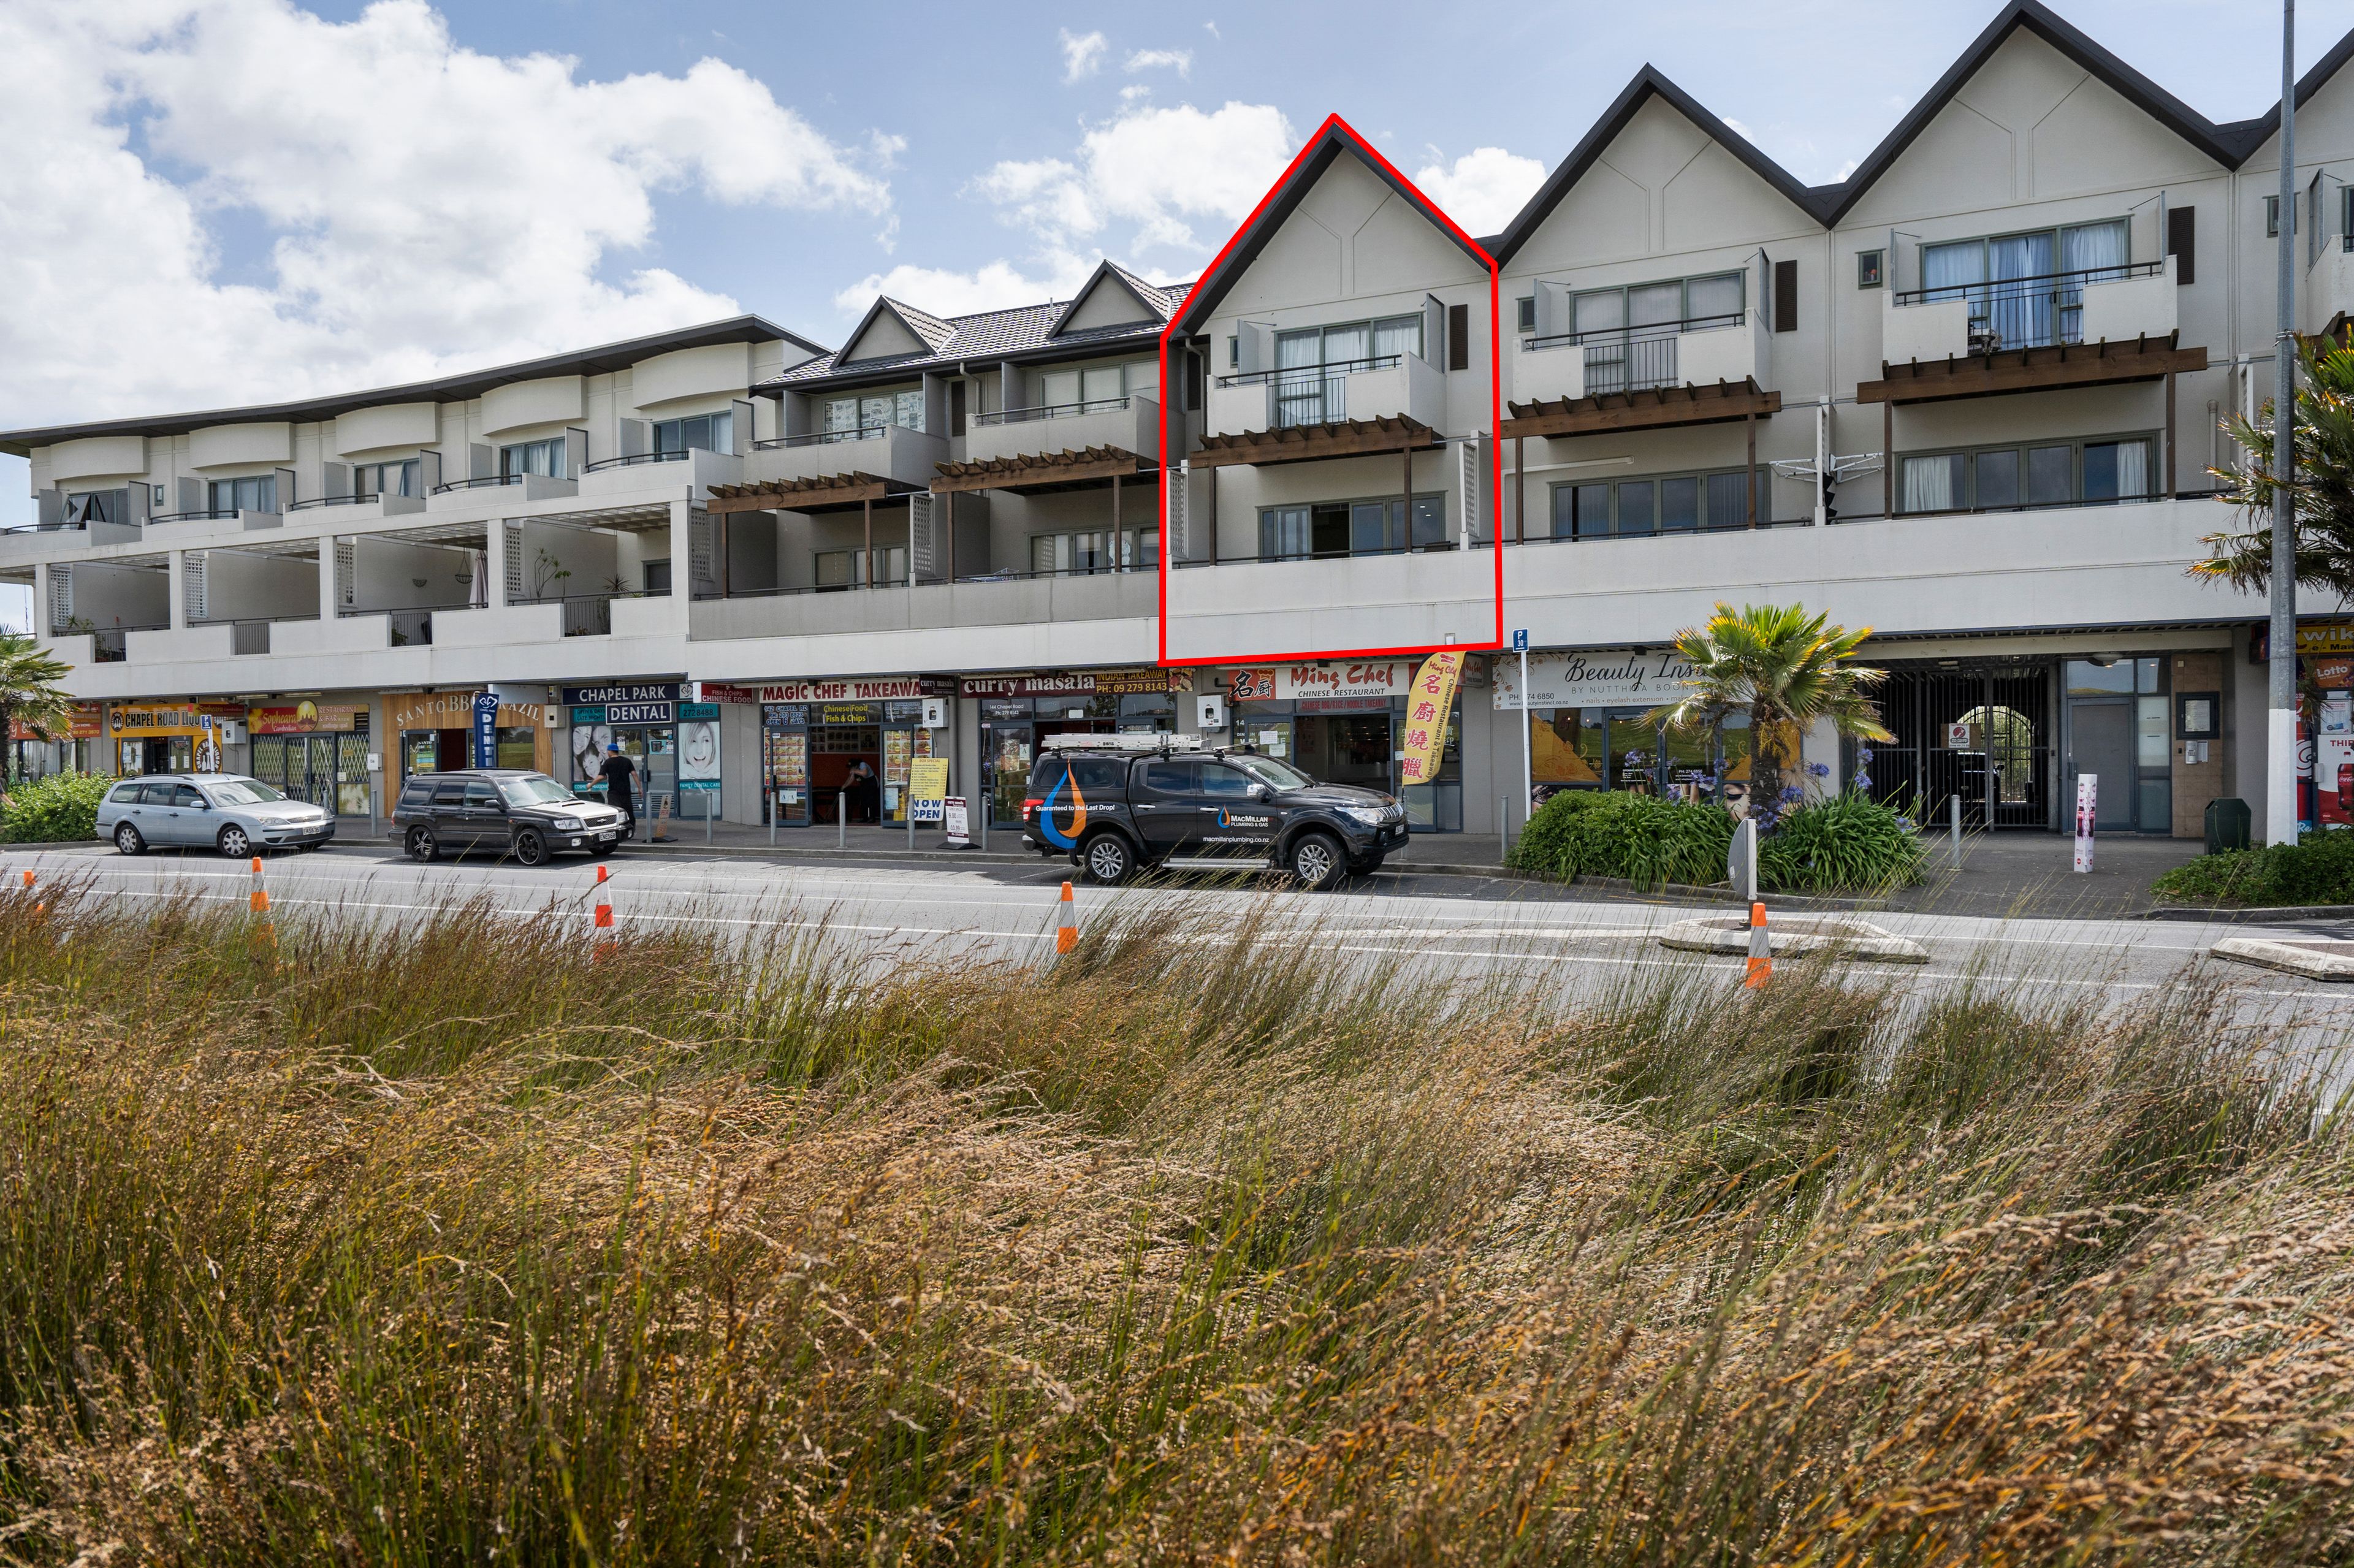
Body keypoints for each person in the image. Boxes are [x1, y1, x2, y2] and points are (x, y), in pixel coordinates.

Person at [600, 743, 638, 834]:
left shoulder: (608, 762)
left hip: (614, 793)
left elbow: (601, 776)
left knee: (615, 812)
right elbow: (634, 774)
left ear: (610, 751)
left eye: (608, 751)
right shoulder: (627, 761)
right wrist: (640, 788)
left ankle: (616, 831)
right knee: (629, 812)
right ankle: (631, 830)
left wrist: (591, 785)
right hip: (626, 792)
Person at [844, 757, 877, 823]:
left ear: (856, 766)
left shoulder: (862, 764)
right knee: (863, 800)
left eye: (852, 767)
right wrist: (844, 786)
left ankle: (872, 817)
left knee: (870, 800)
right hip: (864, 785)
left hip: (871, 782)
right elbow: (851, 779)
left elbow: (865, 773)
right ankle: (865, 818)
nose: (851, 769)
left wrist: (855, 771)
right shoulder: (854, 770)